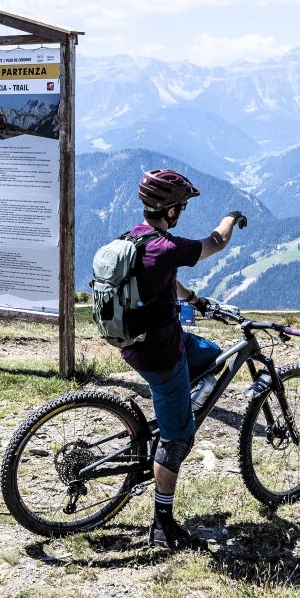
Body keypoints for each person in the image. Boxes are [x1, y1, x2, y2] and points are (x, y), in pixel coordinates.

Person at [124, 169, 245, 549]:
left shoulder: (135, 239)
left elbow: (164, 279)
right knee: (178, 440)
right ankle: (162, 524)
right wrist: (232, 216)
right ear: (171, 209)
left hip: (140, 341)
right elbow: (217, 241)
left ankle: (177, 407)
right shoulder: (170, 247)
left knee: (212, 354)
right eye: (182, 205)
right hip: (160, 354)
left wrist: (193, 300)